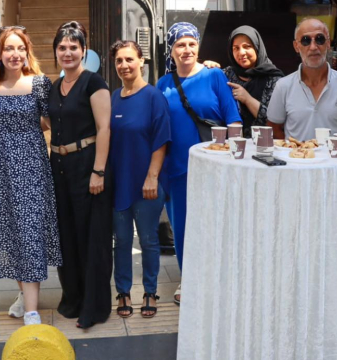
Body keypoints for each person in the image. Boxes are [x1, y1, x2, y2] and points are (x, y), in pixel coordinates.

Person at [0, 26, 62, 326]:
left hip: (32, 168)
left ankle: (32, 310)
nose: (15, 54)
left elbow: (50, 122)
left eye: (20, 48)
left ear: (27, 52)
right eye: (9, 48)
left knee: (30, 232)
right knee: (8, 232)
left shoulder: (39, 83)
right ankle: (25, 294)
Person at [156, 22, 241, 305]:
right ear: (171, 50)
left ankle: (219, 278)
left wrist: (232, 161)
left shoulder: (215, 75)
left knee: (216, 225)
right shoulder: (163, 84)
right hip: (176, 168)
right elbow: (157, 127)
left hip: (215, 167)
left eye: (192, 43)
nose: (187, 49)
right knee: (182, 227)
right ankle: (188, 279)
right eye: (180, 44)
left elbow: (233, 121)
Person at [47, 21, 113, 329]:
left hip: (88, 166)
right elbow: (50, 122)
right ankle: (72, 298)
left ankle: (93, 306)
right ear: (55, 52)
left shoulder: (93, 82)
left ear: (84, 51)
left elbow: (104, 128)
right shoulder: (55, 86)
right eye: (62, 47)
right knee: (67, 236)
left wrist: (98, 171)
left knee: (91, 238)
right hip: (59, 167)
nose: (68, 52)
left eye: (73, 47)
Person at [109, 40, 171, 319]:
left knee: (148, 241)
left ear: (141, 61)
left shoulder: (154, 96)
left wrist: (152, 177)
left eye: (129, 59)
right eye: (119, 61)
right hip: (119, 183)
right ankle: (123, 291)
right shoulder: (113, 97)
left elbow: (162, 140)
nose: (124, 65)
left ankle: (150, 292)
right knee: (121, 241)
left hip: (147, 184)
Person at [266, 18, 337, 140]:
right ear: (296, 46)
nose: (313, 47)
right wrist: (292, 149)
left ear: (328, 43)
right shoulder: (283, 86)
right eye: (306, 40)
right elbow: (273, 128)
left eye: (320, 39)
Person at [223, 26, 284, 136]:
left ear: (257, 48)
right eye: (236, 48)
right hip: (232, 143)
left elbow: (275, 122)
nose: (241, 52)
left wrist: (247, 99)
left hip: (264, 143)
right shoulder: (227, 74)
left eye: (247, 47)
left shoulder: (274, 79)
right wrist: (209, 67)